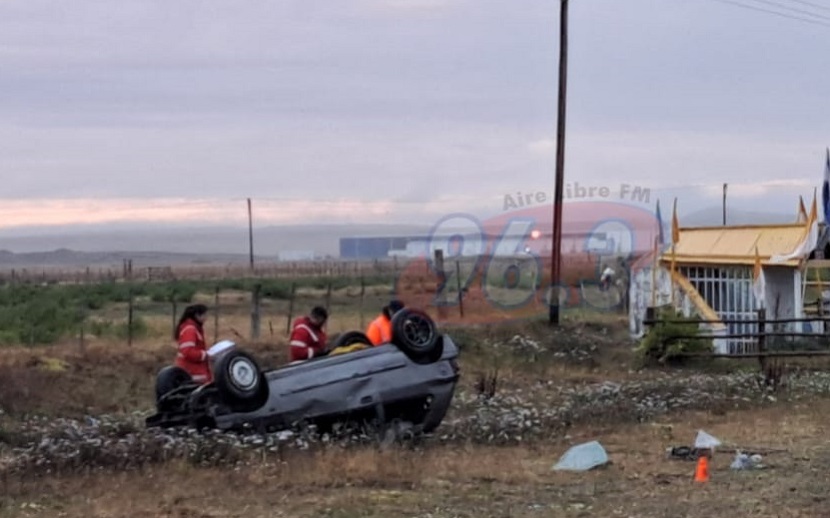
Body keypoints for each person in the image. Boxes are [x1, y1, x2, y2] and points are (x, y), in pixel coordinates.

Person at [174, 303, 212, 384]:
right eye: (204, 315)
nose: (206, 318)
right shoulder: (190, 330)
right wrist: (205, 355)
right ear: (197, 316)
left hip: (194, 374)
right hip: (192, 375)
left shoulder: (193, 328)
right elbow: (188, 352)